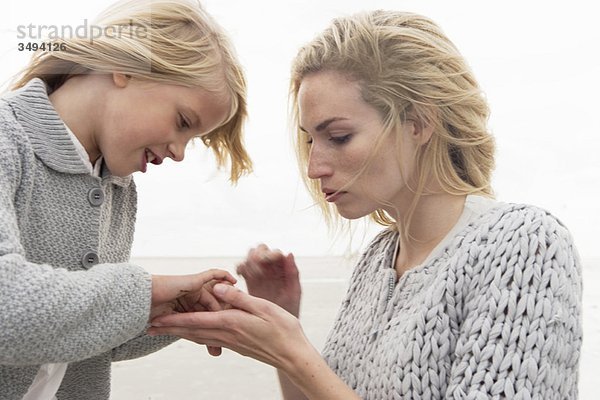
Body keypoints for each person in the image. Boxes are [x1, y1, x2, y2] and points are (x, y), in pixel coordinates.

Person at [149, 10, 583, 400]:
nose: (315, 166)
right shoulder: (377, 261)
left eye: (338, 137)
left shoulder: (524, 242)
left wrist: (297, 354)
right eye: (309, 140)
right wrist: (284, 324)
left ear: (419, 122)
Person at [0, 0, 251, 398]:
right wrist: (146, 292)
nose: (180, 152)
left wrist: (179, 312)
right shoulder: (6, 139)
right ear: (127, 67)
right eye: (183, 122)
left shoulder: (117, 188)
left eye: (193, 138)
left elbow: (78, 334)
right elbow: (7, 309)